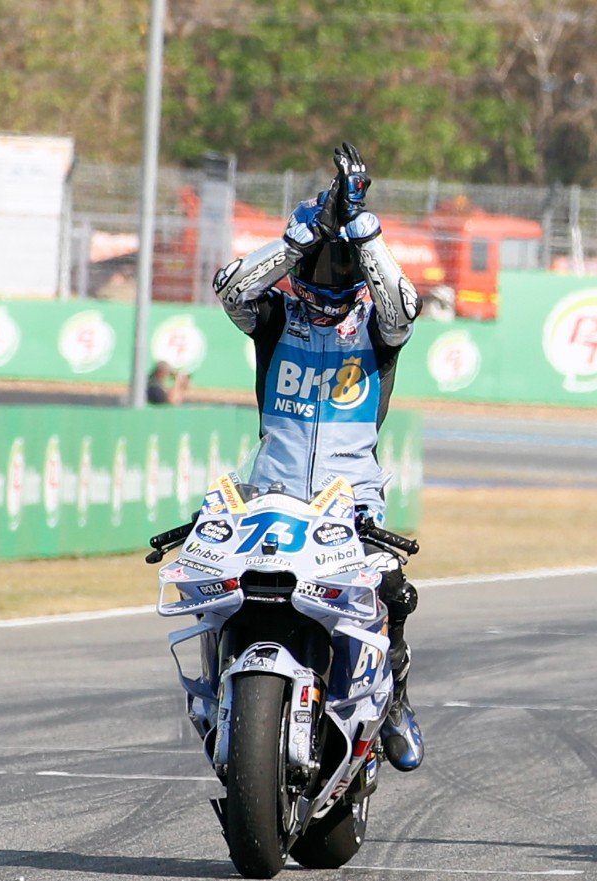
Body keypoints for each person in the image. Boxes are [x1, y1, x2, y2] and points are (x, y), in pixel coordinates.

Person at [211, 141, 425, 771]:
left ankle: (394, 702)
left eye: (341, 267)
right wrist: (296, 238)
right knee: (229, 594)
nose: (328, 281)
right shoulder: (276, 312)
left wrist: (363, 230)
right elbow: (229, 291)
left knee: (390, 587)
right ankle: (227, 699)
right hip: (269, 497)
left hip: (351, 500)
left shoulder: (375, 327)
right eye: (318, 266)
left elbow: (405, 309)